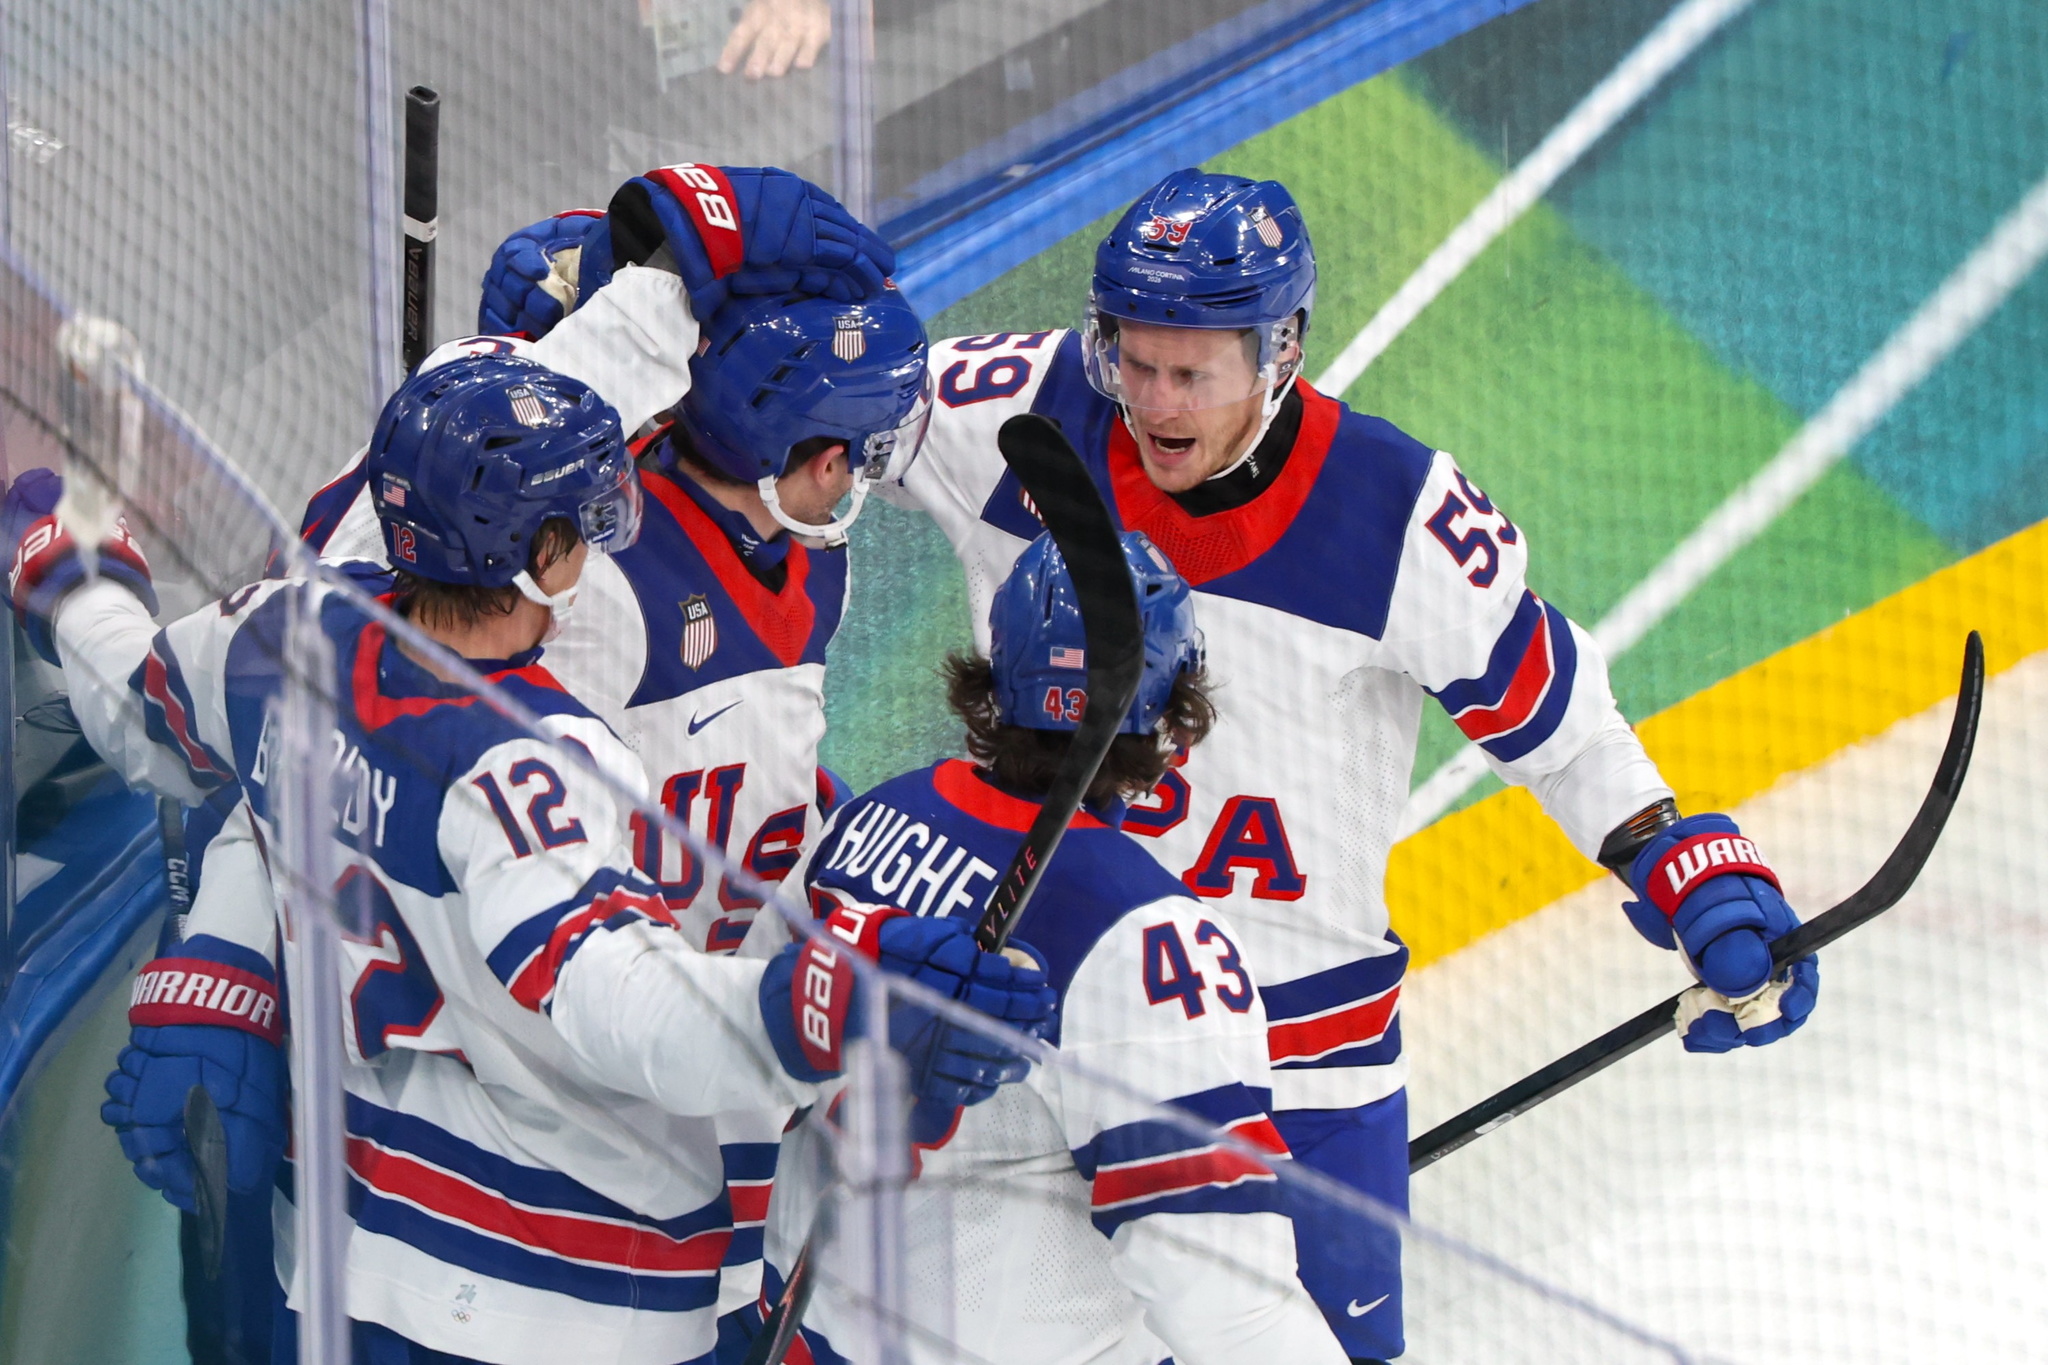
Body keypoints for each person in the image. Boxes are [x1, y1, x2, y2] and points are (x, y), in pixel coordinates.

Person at [473, 166, 1821, 1362]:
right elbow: (800, 422)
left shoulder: (1396, 516)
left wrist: (1678, 859)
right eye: (1136, 361)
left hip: (1301, 1070)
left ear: (1280, 350)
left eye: (1198, 372)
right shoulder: (1025, 411)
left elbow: (1559, 719)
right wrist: (588, 357)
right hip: (1027, 1056)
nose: (1158, 404)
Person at [10, 353, 1050, 1365]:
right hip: (566, 1292)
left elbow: (137, 702)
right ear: (539, 555)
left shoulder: (272, 634)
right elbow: (618, 1004)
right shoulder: (534, 762)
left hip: (341, 1259)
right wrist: (825, 1008)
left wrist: (69, 581)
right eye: (586, 524)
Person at [742, 529, 1350, 1365]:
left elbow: (738, 1042)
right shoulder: (1144, 933)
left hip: (802, 1330)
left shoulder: (866, 821)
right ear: (1175, 720)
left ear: (996, 677)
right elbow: (1227, 1300)